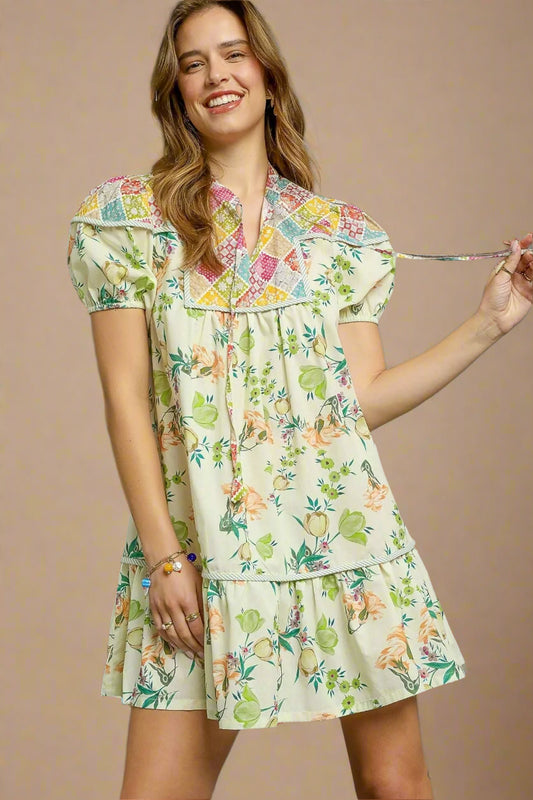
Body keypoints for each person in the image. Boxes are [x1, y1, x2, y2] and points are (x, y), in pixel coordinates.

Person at [66, 1, 533, 798]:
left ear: (267, 74)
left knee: (395, 787)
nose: (216, 75)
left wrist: (488, 324)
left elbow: (359, 402)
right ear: (175, 89)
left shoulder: (339, 236)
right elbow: (125, 402)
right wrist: (163, 555)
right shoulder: (127, 222)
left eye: (233, 54)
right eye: (192, 62)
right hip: (201, 552)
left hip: (341, 542)